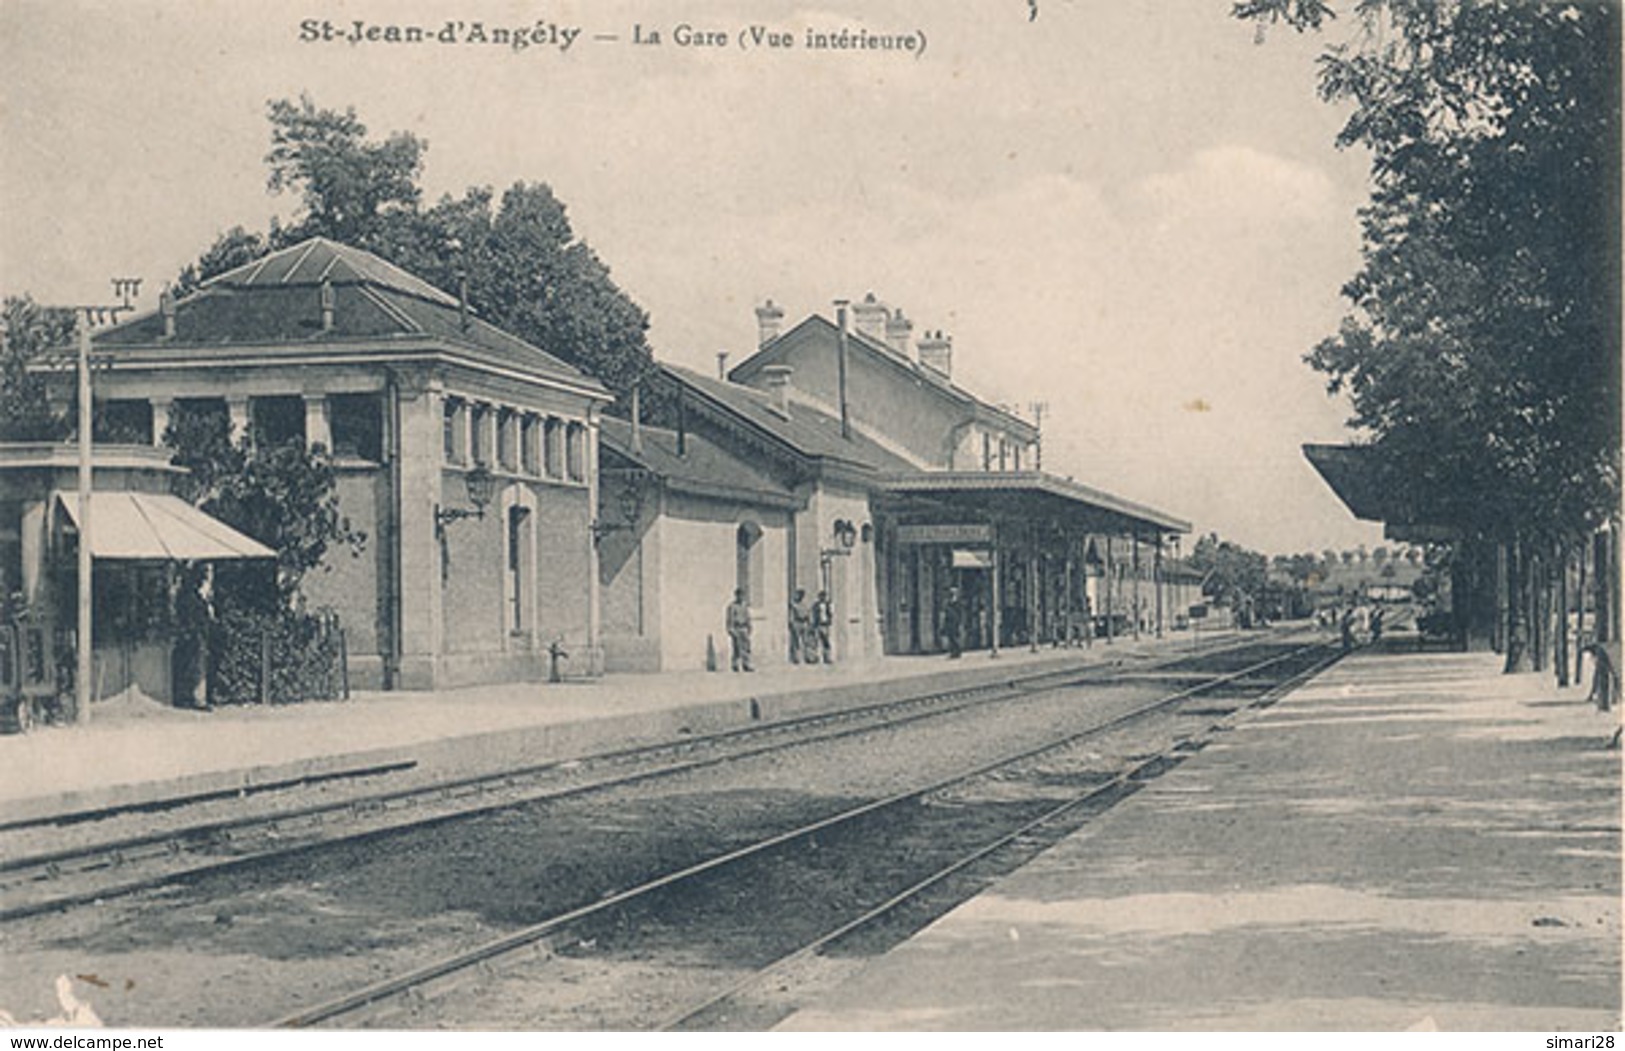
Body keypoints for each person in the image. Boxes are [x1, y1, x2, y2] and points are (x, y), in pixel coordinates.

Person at [725, 588, 753, 672]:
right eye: (739, 595)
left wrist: (749, 627)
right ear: (736, 596)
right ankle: (735, 665)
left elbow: (747, 617)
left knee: (746, 647)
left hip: (744, 628)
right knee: (736, 648)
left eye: (742, 595)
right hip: (736, 628)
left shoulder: (744, 606)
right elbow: (729, 619)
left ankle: (746, 664)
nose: (741, 597)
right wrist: (730, 629)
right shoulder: (732, 607)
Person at [788, 588, 811, 664]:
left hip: (803, 623)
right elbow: (791, 615)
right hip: (796, 622)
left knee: (805, 641)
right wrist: (791, 624)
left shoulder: (804, 605)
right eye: (797, 595)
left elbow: (807, 614)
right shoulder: (793, 605)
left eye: (800, 595)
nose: (799, 597)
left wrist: (808, 623)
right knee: (796, 642)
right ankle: (795, 658)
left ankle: (807, 657)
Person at [811, 590, 834, 664]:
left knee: (826, 642)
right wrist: (814, 624)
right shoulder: (815, 605)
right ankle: (816, 657)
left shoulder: (827, 604)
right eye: (821, 596)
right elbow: (813, 614)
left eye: (824, 596)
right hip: (818, 624)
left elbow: (830, 614)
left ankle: (827, 658)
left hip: (825, 624)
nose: (823, 598)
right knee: (817, 641)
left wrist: (829, 621)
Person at [941, 586, 964, 659]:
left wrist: (960, 622)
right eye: (950, 593)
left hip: (955, 622)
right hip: (949, 622)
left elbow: (960, 613)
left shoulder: (958, 602)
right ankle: (953, 652)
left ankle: (957, 652)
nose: (951, 594)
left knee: (955, 638)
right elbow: (946, 612)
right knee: (950, 637)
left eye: (952, 593)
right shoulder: (948, 602)